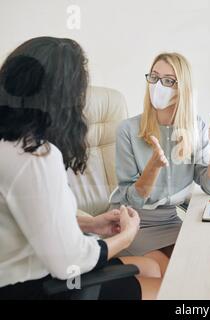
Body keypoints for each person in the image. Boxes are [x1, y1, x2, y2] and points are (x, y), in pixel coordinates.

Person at [0, 37, 161, 300]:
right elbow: (67, 262)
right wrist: (126, 237)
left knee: (152, 267)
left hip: (29, 267)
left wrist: (92, 223)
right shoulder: (34, 156)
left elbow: (33, 216)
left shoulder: (10, 144)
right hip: (33, 284)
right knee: (165, 288)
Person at [111, 53, 210, 270]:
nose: (158, 86)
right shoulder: (127, 130)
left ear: (181, 89)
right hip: (132, 221)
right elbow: (133, 199)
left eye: (168, 81)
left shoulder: (196, 127)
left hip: (169, 221)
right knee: (172, 274)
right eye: (154, 77)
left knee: (200, 265)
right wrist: (153, 168)